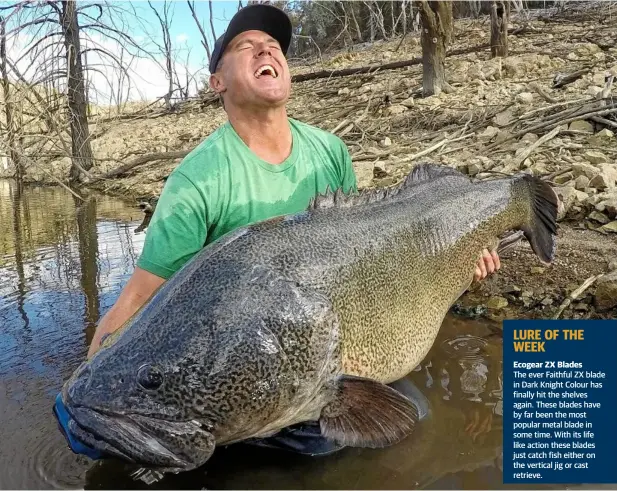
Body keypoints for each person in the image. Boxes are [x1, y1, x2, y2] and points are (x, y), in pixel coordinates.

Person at [55, 3, 500, 460]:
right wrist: (88, 386)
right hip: (256, 358)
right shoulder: (196, 180)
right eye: (245, 46)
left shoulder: (329, 151)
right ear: (217, 81)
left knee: (408, 418)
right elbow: (139, 299)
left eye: (273, 46)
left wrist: (463, 255)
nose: (265, 49)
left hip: (324, 341)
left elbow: (366, 248)